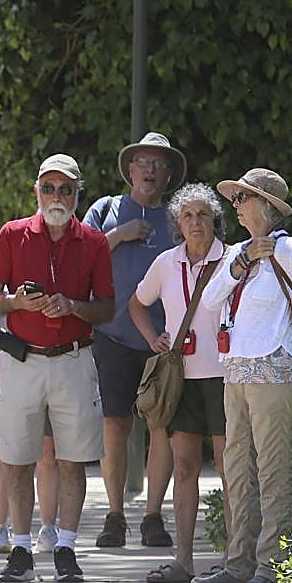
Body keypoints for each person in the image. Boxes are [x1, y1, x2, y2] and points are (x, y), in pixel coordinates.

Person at [193, 169, 292, 583]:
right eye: (236, 198)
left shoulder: (287, 249)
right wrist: (241, 263)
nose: (236, 206)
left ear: (266, 206)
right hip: (238, 375)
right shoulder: (238, 252)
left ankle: (272, 566)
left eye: (242, 198)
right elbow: (209, 300)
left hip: (275, 374)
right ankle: (239, 564)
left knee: (272, 470)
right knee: (237, 470)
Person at [0, 154, 113, 583]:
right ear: (37, 191)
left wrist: (73, 306)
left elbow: (107, 308)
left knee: (73, 459)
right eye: (49, 188)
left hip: (74, 358)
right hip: (23, 360)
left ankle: (66, 547)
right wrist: (17, 302)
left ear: (77, 194)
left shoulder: (94, 242)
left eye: (66, 189)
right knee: (17, 456)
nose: (57, 196)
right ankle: (20, 547)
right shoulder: (12, 233)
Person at [83, 132, 185, 549]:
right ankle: (115, 516)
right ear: (129, 169)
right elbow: (79, 258)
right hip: (112, 334)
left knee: (161, 426)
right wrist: (119, 235)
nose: (150, 170)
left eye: (158, 164)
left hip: (164, 340)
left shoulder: (179, 217)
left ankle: (153, 516)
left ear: (168, 175)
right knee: (114, 424)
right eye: (143, 162)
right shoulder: (105, 210)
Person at [129, 183, 231, 583]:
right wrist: (153, 339)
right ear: (177, 223)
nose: (195, 222)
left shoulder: (231, 259)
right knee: (185, 465)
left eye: (203, 214)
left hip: (223, 376)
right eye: (187, 215)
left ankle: (234, 559)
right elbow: (137, 303)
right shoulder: (165, 263)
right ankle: (184, 560)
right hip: (180, 378)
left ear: (215, 220)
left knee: (228, 467)